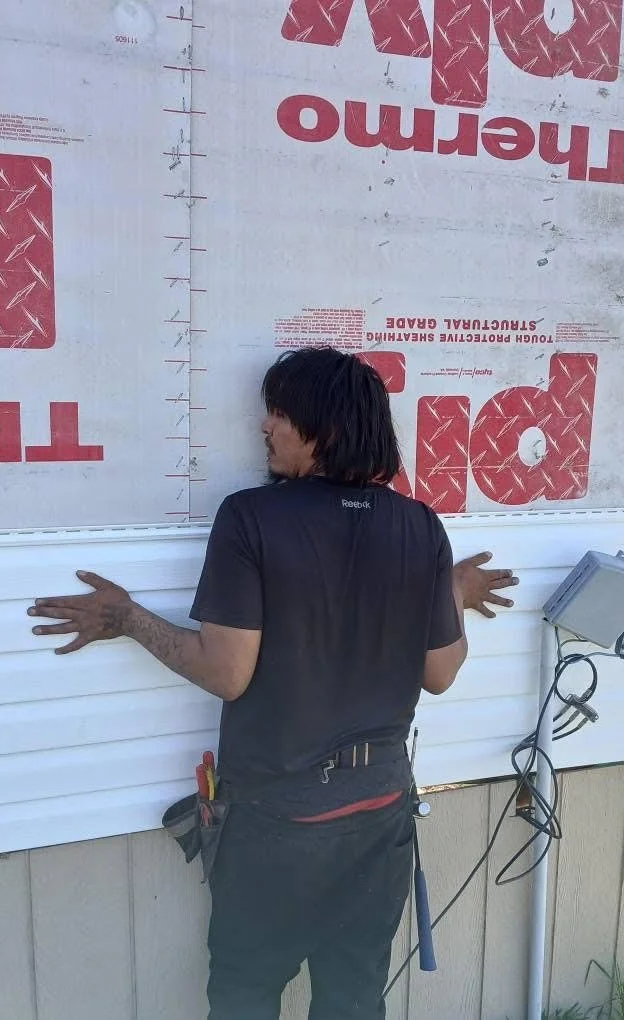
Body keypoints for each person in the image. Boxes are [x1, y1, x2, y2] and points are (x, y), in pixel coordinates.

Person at [28, 347, 518, 1020]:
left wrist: (127, 619)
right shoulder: (420, 526)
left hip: (280, 821)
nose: (265, 428)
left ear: (326, 428)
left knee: (246, 996)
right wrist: (452, 591)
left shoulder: (252, 518)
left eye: (280, 414)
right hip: (381, 816)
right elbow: (440, 672)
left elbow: (227, 673)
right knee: (352, 999)